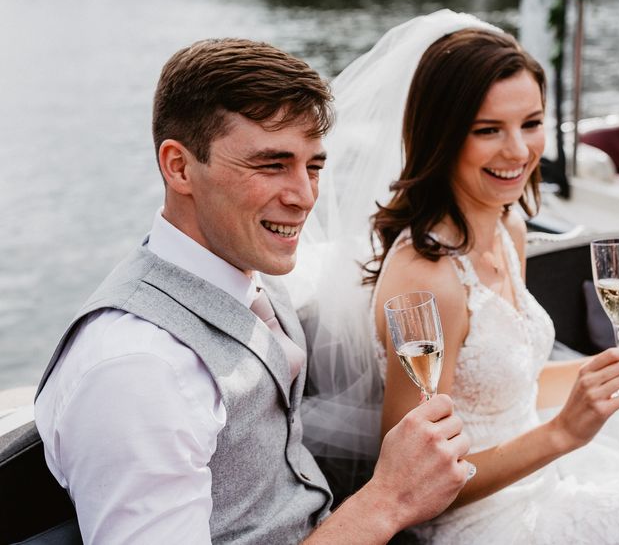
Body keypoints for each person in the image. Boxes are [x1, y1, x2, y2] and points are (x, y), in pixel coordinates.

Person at [303, 10, 619, 544]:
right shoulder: (426, 278)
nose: (519, 151)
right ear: (442, 136)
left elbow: (507, 385)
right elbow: (414, 485)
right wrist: (563, 432)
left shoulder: (509, 226)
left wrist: (614, 373)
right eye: (488, 131)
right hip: (494, 526)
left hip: (556, 482)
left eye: (531, 123)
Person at [34, 38, 473, 545]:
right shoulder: (137, 369)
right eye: (271, 165)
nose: (304, 197)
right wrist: (389, 499)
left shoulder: (247, 268)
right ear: (179, 167)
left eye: (313, 166)